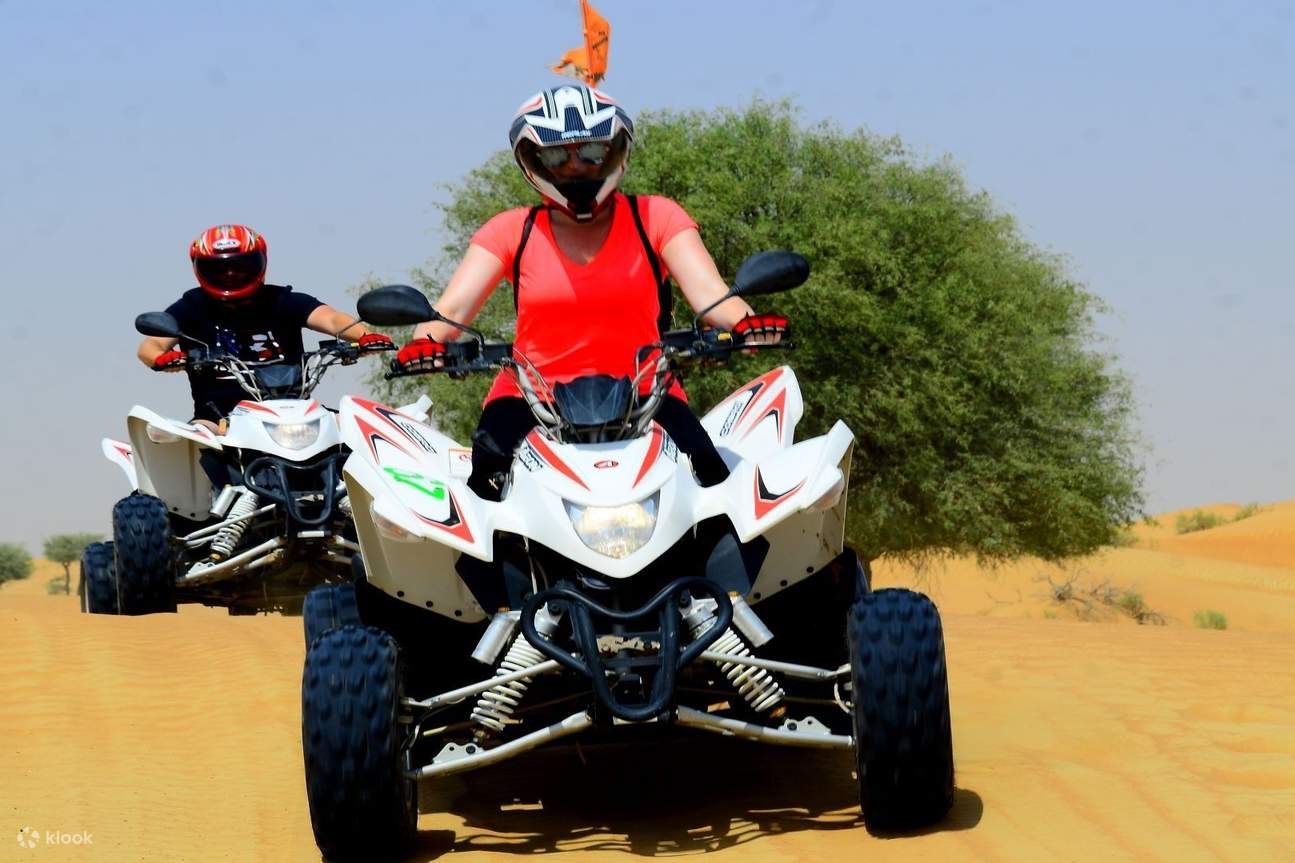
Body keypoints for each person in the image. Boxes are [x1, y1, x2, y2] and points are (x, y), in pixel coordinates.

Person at [393, 85, 788, 501]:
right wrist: (424, 343)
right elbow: (451, 309)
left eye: (592, 152)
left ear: (616, 149)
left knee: (714, 483)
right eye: (557, 156)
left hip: (646, 396)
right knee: (481, 495)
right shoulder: (512, 230)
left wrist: (748, 323)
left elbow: (711, 295)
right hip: (531, 397)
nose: (576, 166)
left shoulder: (656, 216)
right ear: (533, 160)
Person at [138, 224, 393, 430]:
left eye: (240, 266)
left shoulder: (281, 300)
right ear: (200, 269)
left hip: (293, 416)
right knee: (182, 442)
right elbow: (151, 345)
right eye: (219, 268)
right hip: (218, 421)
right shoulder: (191, 306)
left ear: (260, 263)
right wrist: (166, 359)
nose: (230, 274)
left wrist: (365, 336)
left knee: (359, 429)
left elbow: (332, 320)